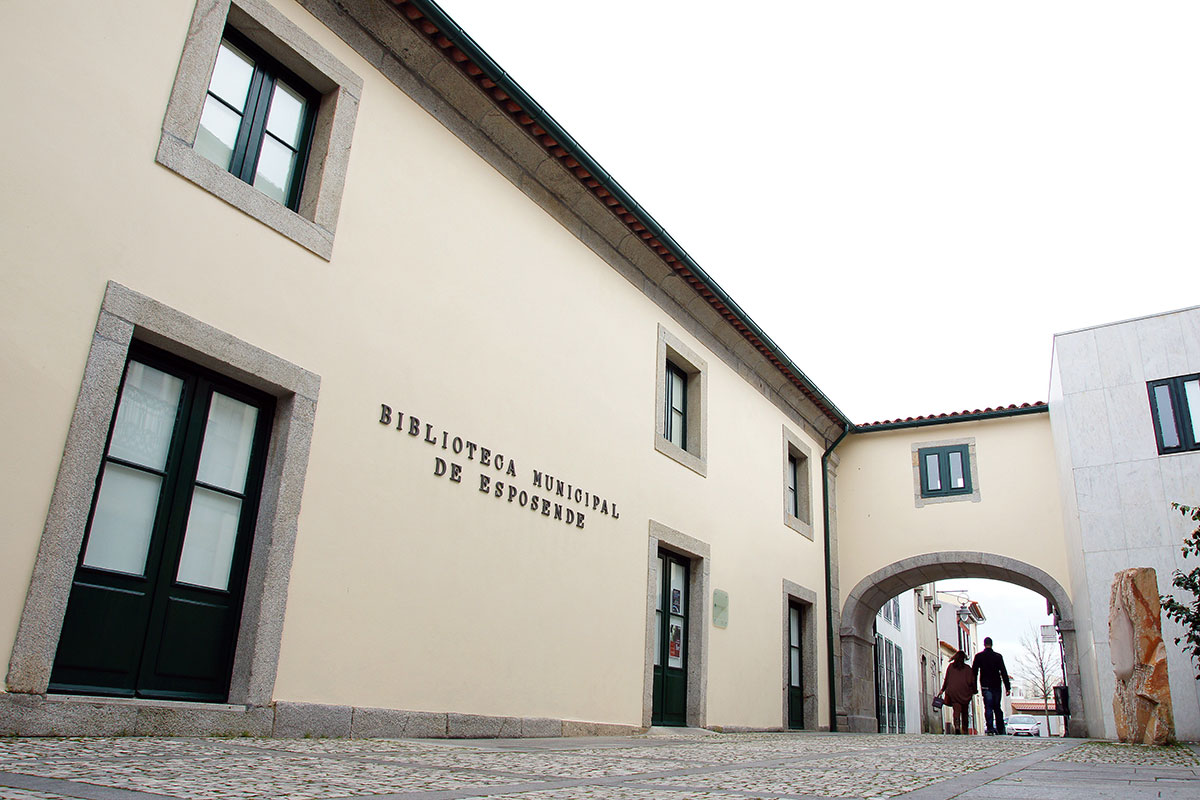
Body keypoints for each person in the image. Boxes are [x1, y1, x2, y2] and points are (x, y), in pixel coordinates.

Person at [972, 636, 1011, 735]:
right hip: (996, 684)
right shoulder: (998, 657)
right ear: (992, 644)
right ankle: (1000, 728)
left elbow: (974, 672)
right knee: (997, 707)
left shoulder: (979, 657)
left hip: (985, 684)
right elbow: (1003, 672)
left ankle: (989, 728)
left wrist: (974, 686)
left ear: (984, 644)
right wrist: (1008, 687)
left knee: (988, 707)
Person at [939, 650, 976, 735]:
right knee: (965, 711)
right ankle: (965, 729)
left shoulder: (951, 667)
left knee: (956, 710)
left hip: (954, 692)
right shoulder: (967, 669)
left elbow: (947, 680)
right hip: (965, 692)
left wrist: (942, 690)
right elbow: (972, 681)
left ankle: (957, 726)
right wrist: (974, 690)